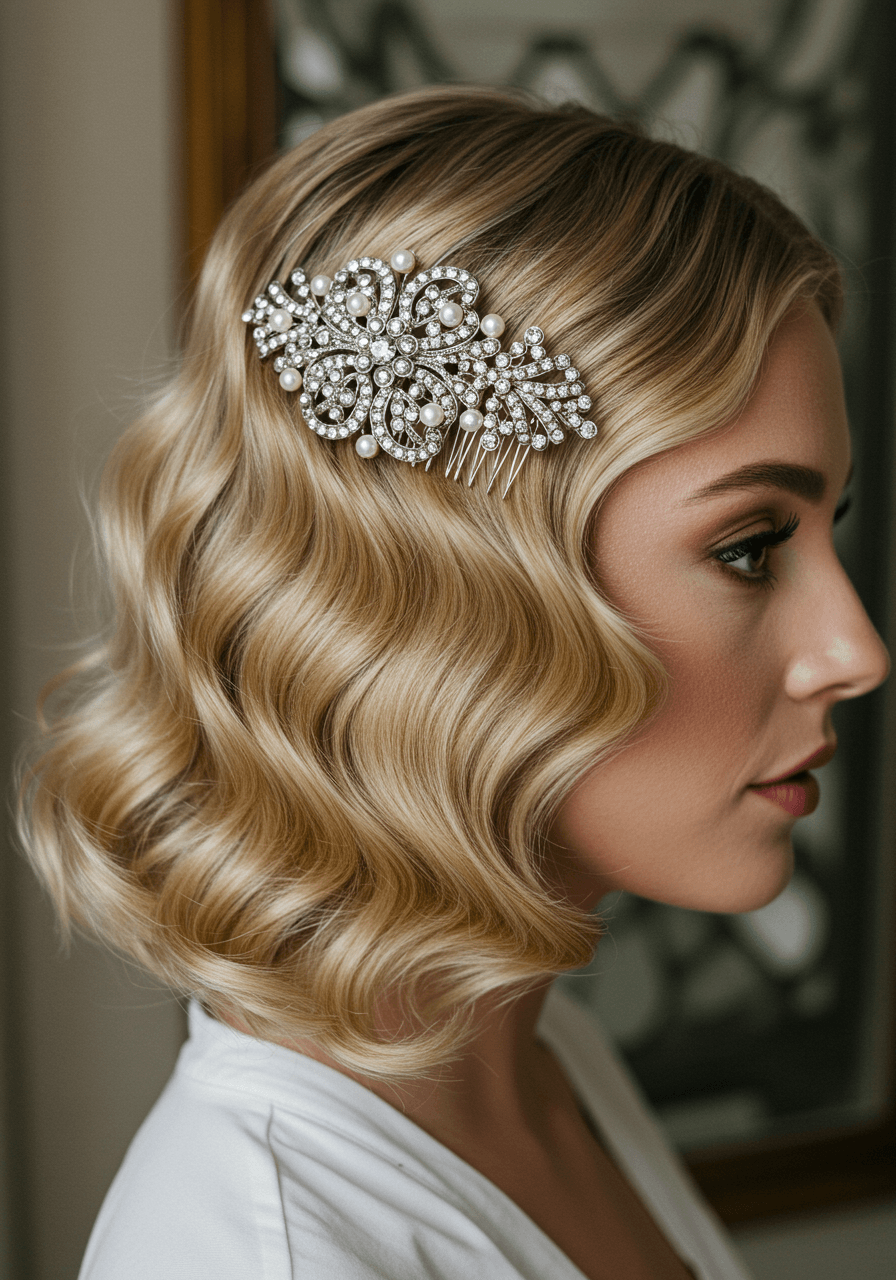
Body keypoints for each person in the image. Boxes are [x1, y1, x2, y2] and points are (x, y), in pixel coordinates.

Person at [19, 84, 888, 1280]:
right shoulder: (264, 1253)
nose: (854, 651)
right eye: (747, 547)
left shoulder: (540, 1058)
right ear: (461, 592)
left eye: (825, 529)